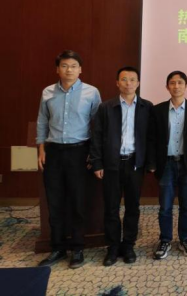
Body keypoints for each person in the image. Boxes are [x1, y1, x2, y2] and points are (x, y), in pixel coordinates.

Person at [36, 50, 101, 269]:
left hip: (79, 152)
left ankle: (78, 248)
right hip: (53, 152)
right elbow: (42, 121)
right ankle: (57, 248)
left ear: (80, 69)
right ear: (58, 69)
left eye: (73, 66)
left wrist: (94, 153)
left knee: (77, 201)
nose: (69, 70)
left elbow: (98, 126)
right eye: (64, 66)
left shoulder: (91, 92)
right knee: (54, 201)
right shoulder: (47, 92)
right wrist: (41, 148)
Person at [90, 67, 153, 266]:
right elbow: (96, 136)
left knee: (133, 207)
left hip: (135, 164)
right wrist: (97, 163)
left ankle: (128, 245)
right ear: (117, 83)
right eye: (124, 79)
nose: (128, 83)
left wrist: (149, 163)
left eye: (132, 79)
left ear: (138, 83)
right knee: (111, 207)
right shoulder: (106, 107)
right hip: (111, 164)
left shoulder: (146, 107)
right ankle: (112, 246)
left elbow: (152, 138)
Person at [146, 71, 187, 260]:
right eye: (172, 83)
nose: (176, 86)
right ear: (167, 86)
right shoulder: (158, 110)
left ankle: (185, 239)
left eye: (180, 82)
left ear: (186, 86)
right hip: (166, 164)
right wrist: (152, 163)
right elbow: (152, 138)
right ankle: (165, 240)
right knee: (165, 206)